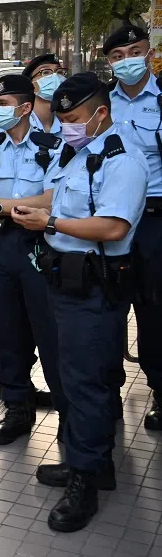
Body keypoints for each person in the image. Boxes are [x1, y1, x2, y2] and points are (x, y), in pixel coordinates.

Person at [12, 73, 148, 533]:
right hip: (65, 283)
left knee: (88, 382)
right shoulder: (79, 153)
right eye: (63, 118)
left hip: (94, 287)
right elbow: (61, 198)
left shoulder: (122, 161)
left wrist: (50, 224)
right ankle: (90, 464)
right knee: (78, 376)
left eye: (72, 119)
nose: (65, 126)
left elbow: (112, 227)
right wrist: (21, 208)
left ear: (100, 114)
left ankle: (85, 482)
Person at [0, 74, 65, 445]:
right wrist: (13, 207)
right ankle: (17, 407)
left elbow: (56, 199)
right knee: (6, 330)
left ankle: (67, 416)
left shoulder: (53, 146)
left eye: (3, 104)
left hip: (39, 247)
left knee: (48, 329)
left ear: (24, 107)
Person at [103, 24, 162, 431]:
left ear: (149, 51)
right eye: (118, 56)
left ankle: (160, 389)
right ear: (108, 61)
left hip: (156, 218)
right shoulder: (100, 105)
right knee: (106, 304)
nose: (127, 61)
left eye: (135, 51)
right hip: (110, 217)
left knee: (155, 308)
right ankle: (107, 391)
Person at [22, 53, 66, 135]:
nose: (55, 76)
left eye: (59, 72)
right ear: (31, 83)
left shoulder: (70, 124)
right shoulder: (16, 126)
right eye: (45, 72)